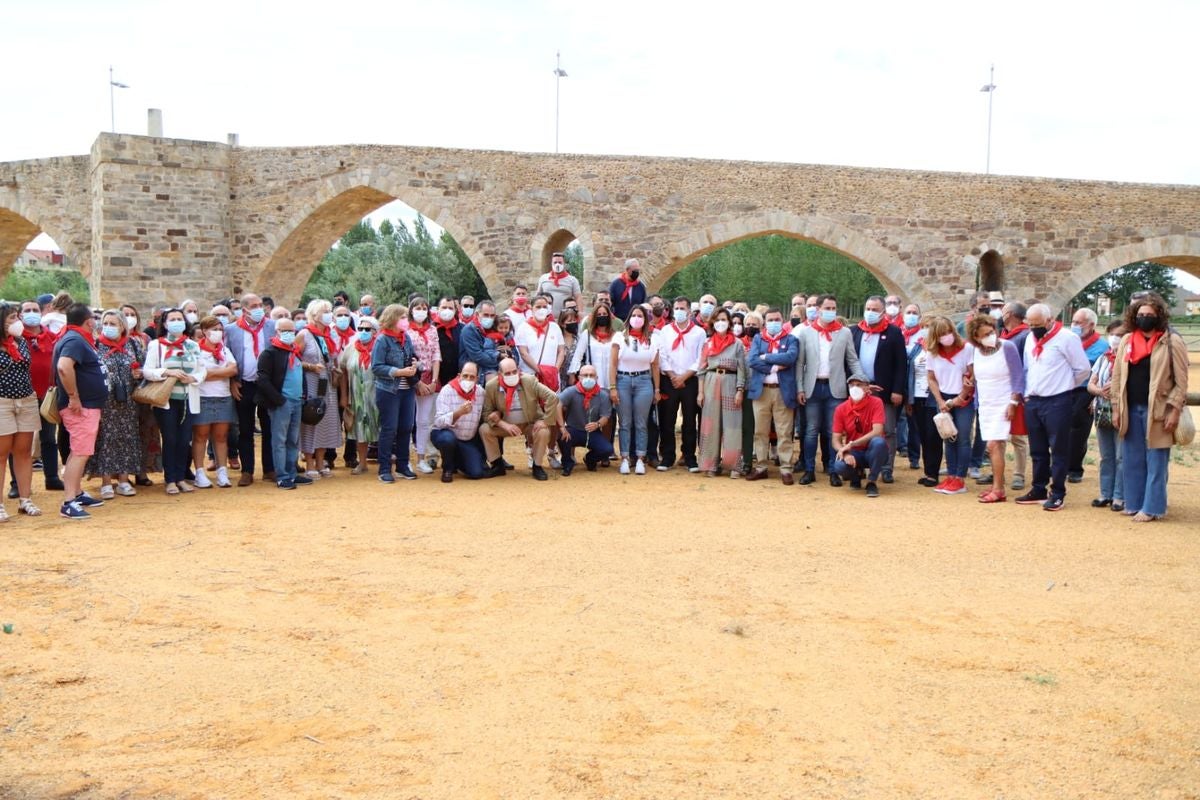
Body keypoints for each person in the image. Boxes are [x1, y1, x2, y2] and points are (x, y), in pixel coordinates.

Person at [1110, 293, 1189, 523]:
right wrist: (1116, 407)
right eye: (1141, 314)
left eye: (1150, 315)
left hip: (1159, 410)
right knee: (1131, 460)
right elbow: (1117, 376)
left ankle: (1153, 508)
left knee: (1156, 461)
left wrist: (1174, 410)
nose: (1145, 318)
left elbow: (1181, 381)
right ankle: (1133, 503)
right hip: (1130, 408)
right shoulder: (1127, 341)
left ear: (1159, 316)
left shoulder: (1171, 341)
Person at [1016, 303, 1092, 512]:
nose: (1034, 328)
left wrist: (1065, 386)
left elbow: (1083, 369)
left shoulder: (1067, 338)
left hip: (1058, 400)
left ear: (1050, 320)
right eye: (1030, 324)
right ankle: (1038, 488)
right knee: (1038, 449)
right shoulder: (1031, 338)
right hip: (1034, 400)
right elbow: (1026, 367)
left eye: (1038, 324)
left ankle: (1057, 492)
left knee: (1058, 448)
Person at [795, 294, 861, 486]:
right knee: (810, 431)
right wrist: (799, 388)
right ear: (819, 309)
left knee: (834, 432)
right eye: (827, 308)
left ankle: (833, 470)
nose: (830, 311)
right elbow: (800, 364)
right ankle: (809, 469)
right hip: (812, 386)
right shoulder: (807, 333)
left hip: (836, 388)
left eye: (833, 308)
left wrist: (860, 380)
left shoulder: (844, 333)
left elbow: (852, 359)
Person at [53, 303, 109, 518]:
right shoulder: (75, 339)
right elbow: (64, 366)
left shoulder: (73, 337)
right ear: (88, 321)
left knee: (79, 450)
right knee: (80, 452)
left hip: (87, 405)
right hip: (81, 406)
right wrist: (74, 396)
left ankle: (76, 493)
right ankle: (68, 501)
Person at [142, 307, 205, 496]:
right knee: (170, 439)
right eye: (173, 319)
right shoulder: (156, 345)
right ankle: (170, 480)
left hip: (188, 398)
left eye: (180, 318)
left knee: (184, 439)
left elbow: (202, 369)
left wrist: (193, 378)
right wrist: (167, 372)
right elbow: (147, 370)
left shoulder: (193, 345)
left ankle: (180, 478)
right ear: (165, 323)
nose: (177, 321)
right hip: (166, 399)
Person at [965, 314, 1025, 503]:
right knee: (992, 447)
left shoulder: (1007, 347)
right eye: (984, 334)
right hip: (985, 404)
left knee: (993, 445)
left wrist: (1014, 402)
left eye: (992, 332)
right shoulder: (975, 352)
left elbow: (1018, 376)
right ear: (976, 338)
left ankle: (999, 489)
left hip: (1004, 401)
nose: (990, 336)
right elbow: (977, 377)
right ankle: (997, 485)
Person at [89, 309, 146, 499]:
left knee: (127, 438)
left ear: (122, 326)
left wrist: (139, 374)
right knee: (105, 439)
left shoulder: (132, 345)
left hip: (128, 401)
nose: (108, 327)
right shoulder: (96, 345)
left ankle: (123, 480)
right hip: (105, 402)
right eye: (106, 323)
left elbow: (143, 366)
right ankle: (106, 482)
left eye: (113, 324)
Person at [851, 295, 908, 483]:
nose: (870, 313)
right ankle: (859, 466)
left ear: (883, 312)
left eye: (875, 310)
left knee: (888, 430)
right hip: (860, 389)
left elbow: (901, 364)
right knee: (858, 429)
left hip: (884, 390)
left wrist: (898, 390)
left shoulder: (893, 333)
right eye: (868, 308)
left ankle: (886, 468)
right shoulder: (855, 332)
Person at [254, 317, 312, 489]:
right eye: (284, 331)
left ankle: (292, 473)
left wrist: (303, 395)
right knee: (279, 440)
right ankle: (282, 476)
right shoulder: (269, 353)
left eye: (291, 331)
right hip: (282, 403)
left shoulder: (294, 351)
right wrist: (279, 400)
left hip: (296, 401)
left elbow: (300, 375)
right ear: (277, 332)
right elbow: (262, 379)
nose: (288, 334)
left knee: (293, 440)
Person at [14, 299, 65, 493]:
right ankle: (16, 485)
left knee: (49, 439)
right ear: (20, 315)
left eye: (35, 309)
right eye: (28, 310)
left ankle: (51, 477)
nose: (32, 313)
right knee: (20, 442)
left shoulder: (51, 337)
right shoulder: (15, 340)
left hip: (47, 394)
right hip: (23, 395)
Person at [480, 357, 559, 480]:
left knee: (543, 431)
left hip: (529, 424)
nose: (512, 375)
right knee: (484, 429)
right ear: (500, 374)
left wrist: (545, 420)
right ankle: (497, 464)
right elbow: (486, 414)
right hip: (506, 426)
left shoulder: (530, 381)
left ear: (518, 370)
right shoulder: (491, 386)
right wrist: (503, 424)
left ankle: (537, 466)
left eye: (514, 371)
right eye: (507, 373)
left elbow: (552, 397)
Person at [225, 293, 276, 486]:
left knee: (268, 427)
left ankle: (270, 469)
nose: (258, 309)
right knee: (245, 429)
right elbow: (227, 355)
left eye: (260, 305)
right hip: (244, 384)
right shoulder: (231, 330)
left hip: (266, 384)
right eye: (254, 306)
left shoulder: (271, 326)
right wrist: (232, 381)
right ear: (244, 309)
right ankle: (247, 470)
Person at [745, 308, 799, 484]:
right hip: (761, 390)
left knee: (784, 431)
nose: (774, 323)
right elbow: (752, 360)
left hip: (783, 390)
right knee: (760, 431)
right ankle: (761, 466)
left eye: (777, 319)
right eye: (770, 320)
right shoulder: (759, 339)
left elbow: (790, 357)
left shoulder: (791, 339)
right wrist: (774, 366)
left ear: (782, 320)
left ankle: (786, 469)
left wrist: (766, 356)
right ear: (765, 322)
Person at [653, 296, 706, 473]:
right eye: (676, 308)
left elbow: (700, 358)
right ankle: (667, 456)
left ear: (690, 311)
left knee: (690, 421)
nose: (679, 311)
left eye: (683, 308)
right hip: (669, 380)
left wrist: (684, 376)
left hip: (690, 380)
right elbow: (662, 355)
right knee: (667, 420)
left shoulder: (699, 332)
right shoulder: (665, 331)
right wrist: (672, 375)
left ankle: (690, 457)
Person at [923, 316, 975, 495]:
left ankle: (960, 478)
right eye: (942, 334)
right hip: (943, 398)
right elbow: (931, 378)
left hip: (964, 399)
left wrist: (961, 396)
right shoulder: (932, 353)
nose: (947, 336)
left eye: (948, 332)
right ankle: (951, 475)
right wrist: (940, 401)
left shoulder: (966, 349)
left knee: (962, 437)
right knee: (948, 437)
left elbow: (972, 374)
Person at [0, 303, 43, 519]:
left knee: (24, 452)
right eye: (11, 319)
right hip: (2, 402)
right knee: (1, 453)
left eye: (17, 317)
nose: (17, 321)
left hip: (26, 399)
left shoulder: (22, 342)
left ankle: (25, 500)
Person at [695, 307, 747, 477]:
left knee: (732, 426)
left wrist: (740, 390)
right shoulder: (707, 344)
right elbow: (701, 370)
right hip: (711, 382)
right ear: (712, 323)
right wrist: (700, 393)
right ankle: (710, 464)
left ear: (729, 322)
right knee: (711, 424)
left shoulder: (737, 344)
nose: (720, 323)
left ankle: (733, 465)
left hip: (731, 383)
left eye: (723, 319)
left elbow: (742, 369)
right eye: (717, 320)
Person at [609, 305, 660, 475]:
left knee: (641, 423)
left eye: (640, 316)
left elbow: (655, 365)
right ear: (629, 318)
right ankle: (624, 458)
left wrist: (657, 388)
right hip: (623, 380)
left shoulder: (652, 339)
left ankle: (640, 459)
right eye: (634, 315)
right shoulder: (619, 337)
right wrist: (613, 387)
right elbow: (613, 364)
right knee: (625, 422)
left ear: (645, 319)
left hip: (644, 381)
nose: (637, 318)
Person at [371, 304, 419, 483]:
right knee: (389, 428)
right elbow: (376, 367)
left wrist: (415, 364)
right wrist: (399, 372)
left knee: (406, 427)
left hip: (407, 389)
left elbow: (412, 356)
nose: (406, 321)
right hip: (388, 390)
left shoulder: (406, 337)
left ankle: (402, 465)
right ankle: (384, 468)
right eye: (403, 317)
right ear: (393, 319)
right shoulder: (382, 340)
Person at [295, 299, 343, 480]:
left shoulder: (329, 335)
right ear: (314, 315)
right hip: (311, 383)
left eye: (329, 311)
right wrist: (310, 366)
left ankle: (321, 461)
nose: (329, 314)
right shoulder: (304, 335)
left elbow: (332, 358)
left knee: (325, 422)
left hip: (327, 384)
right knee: (310, 421)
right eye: (325, 311)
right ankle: (309, 462)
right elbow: (293, 359)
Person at [190, 315, 238, 489]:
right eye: (214, 329)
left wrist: (211, 373)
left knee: (221, 436)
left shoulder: (224, 349)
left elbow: (233, 369)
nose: (217, 333)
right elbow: (198, 374)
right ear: (204, 331)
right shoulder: (195, 350)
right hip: (203, 397)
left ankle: (222, 472)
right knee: (200, 435)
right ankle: (200, 472)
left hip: (223, 397)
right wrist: (221, 372)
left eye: (220, 329)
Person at [1066, 307, 1109, 483]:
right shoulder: (1067, 340)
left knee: (1078, 429)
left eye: (1078, 322)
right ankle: (1059, 464)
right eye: (1073, 321)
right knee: (1060, 428)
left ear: (1091, 325)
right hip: (1065, 389)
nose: (1074, 325)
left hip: (1085, 391)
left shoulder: (1102, 346)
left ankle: (1075, 468)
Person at [1088, 320, 1125, 511]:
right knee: (1106, 456)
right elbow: (1091, 383)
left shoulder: (1129, 358)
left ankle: (1119, 496)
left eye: (1119, 334)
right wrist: (1098, 391)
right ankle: (1105, 493)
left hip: (1122, 411)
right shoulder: (1104, 358)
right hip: (1103, 410)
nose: (1115, 338)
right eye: (1112, 333)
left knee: (1121, 456)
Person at [831, 374, 888, 497]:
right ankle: (855, 476)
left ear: (868, 388)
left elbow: (878, 430)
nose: (854, 388)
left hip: (872, 450)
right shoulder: (841, 409)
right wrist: (844, 452)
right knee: (839, 465)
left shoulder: (876, 403)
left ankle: (871, 481)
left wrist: (852, 444)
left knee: (879, 442)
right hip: (854, 452)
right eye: (852, 385)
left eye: (859, 385)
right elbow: (835, 439)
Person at [430, 361, 489, 482]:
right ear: (459, 375)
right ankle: (448, 469)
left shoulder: (481, 393)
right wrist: (458, 413)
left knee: (476, 473)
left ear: (477, 379)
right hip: (445, 434)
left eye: (472, 377)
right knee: (447, 439)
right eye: (465, 375)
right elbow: (438, 422)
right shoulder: (447, 390)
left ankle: (457, 460)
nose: (468, 379)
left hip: (467, 439)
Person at [338, 315, 380, 475]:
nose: (363, 332)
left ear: (375, 332)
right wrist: (344, 395)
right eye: (360, 329)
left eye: (367, 329)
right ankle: (362, 463)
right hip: (356, 395)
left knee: (381, 427)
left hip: (377, 395)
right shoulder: (351, 348)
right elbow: (342, 370)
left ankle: (384, 463)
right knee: (359, 429)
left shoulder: (380, 347)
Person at [406, 297, 443, 475]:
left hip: (429, 377)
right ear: (411, 310)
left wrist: (434, 381)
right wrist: (417, 381)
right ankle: (404, 459)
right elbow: (407, 355)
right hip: (410, 378)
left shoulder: (432, 331)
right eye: (417, 308)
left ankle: (421, 458)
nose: (421, 311)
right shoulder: (405, 330)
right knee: (406, 420)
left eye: (424, 308)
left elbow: (436, 355)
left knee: (424, 421)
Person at [556, 363, 614, 475]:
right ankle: (567, 463)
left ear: (596, 378)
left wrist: (597, 424)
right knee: (562, 438)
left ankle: (590, 460)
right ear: (579, 377)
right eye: (585, 375)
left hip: (593, 431)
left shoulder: (603, 395)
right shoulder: (571, 391)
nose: (588, 378)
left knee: (607, 449)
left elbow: (605, 417)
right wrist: (563, 427)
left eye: (591, 375)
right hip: (574, 429)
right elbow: (557, 403)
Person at [999, 300, 1031, 491]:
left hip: (1016, 391)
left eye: (1003, 310)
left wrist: (1018, 394)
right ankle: (998, 471)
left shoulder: (1024, 336)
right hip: (1000, 389)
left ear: (1009, 313)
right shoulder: (1003, 335)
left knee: (1018, 437)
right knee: (998, 434)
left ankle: (1018, 474)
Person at [515, 294, 565, 388]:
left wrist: (555, 370)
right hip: (531, 375)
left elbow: (561, 351)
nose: (541, 309)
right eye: (538, 307)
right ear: (531, 308)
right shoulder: (523, 327)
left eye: (544, 307)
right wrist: (540, 371)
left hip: (552, 376)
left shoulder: (554, 327)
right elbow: (523, 353)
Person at [459, 300, 502, 380]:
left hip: (491, 367)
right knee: (493, 382)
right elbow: (477, 356)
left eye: (492, 315)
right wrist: (499, 360)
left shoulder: (496, 328)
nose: (489, 318)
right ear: (477, 314)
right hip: (474, 371)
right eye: (486, 315)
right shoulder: (469, 330)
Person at [537, 251, 583, 316]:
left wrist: (580, 312)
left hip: (566, 318)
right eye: (555, 262)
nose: (557, 264)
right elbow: (538, 296)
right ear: (551, 264)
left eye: (560, 262)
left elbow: (578, 297)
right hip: (546, 317)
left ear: (564, 264)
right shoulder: (543, 278)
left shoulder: (572, 280)